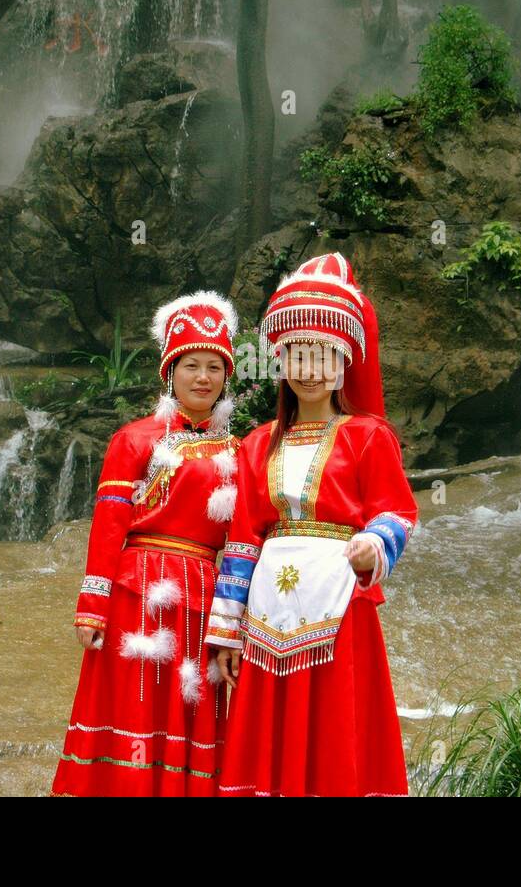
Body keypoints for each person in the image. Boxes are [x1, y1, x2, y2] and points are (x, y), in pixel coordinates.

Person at [204, 253, 418, 797]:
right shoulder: (256, 442)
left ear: (344, 363)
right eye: (299, 354)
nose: (311, 368)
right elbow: (244, 539)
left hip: (339, 602)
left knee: (335, 725)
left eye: (325, 355)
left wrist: (374, 543)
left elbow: (398, 511)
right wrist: (226, 631)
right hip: (266, 613)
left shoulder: (369, 436)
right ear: (282, 361)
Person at [52, 291, 241, 796]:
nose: (203, 377)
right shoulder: (135, 439)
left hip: (203, 594)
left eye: (214, 368)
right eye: (191, 366)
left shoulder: (241, 451)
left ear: (227, 377)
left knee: (190, 709)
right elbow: (109, 525)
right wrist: (92, 607)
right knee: (134, 706)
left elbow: (245, 538)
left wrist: (237, 615)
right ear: (169, 372)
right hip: (140, 594)